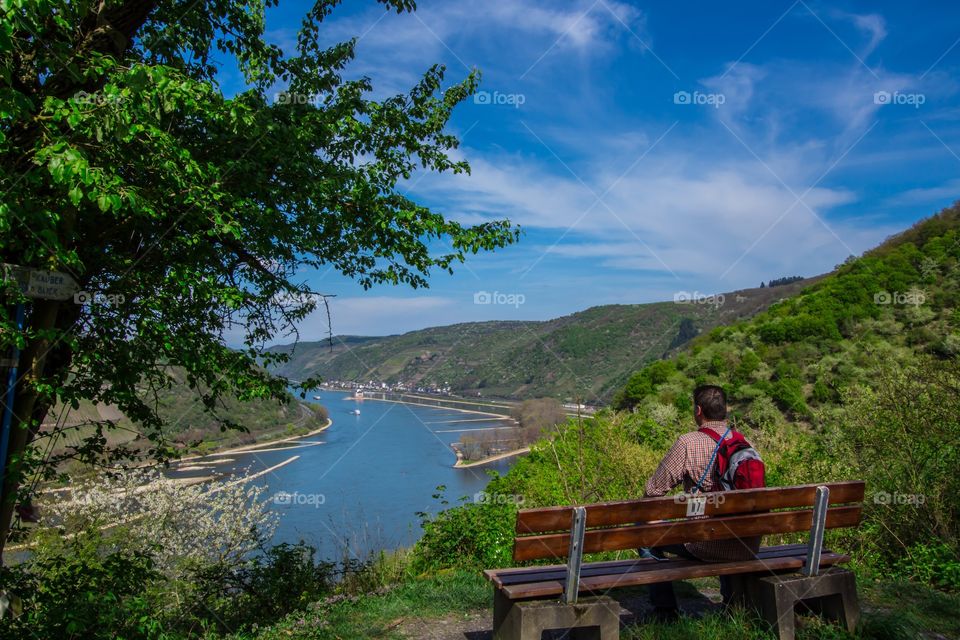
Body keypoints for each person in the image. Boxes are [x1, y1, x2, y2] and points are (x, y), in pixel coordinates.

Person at [641, 384, 760, 620]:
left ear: (698, 410)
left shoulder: (688, 443)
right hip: (747, 543)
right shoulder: (743, 442)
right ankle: (732, 604)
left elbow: (653, 491)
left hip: (705, 544)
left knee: (643, 531)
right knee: (724, 523)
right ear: (725, 410)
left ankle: (666, 611)